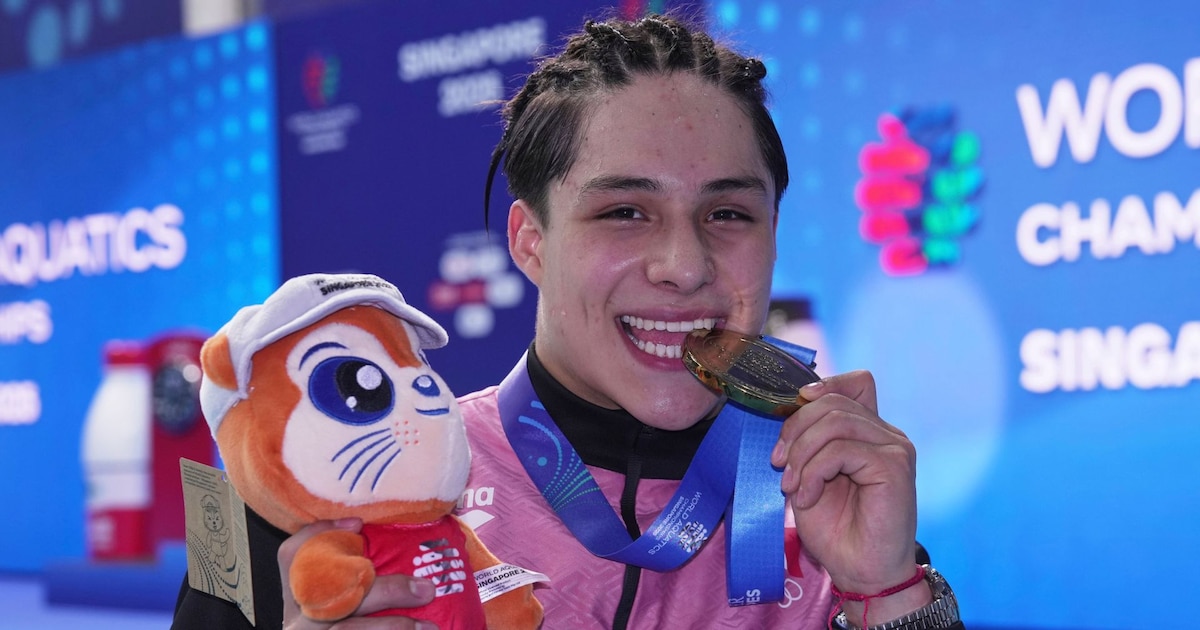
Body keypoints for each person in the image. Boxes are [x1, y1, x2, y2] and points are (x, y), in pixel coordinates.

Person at [171, 12, 963, 630]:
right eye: (624, 212)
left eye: (728, 213)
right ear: (530, 241)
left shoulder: (831, 502)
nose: (684, 265)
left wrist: (890, 594)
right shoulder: (305, 484)